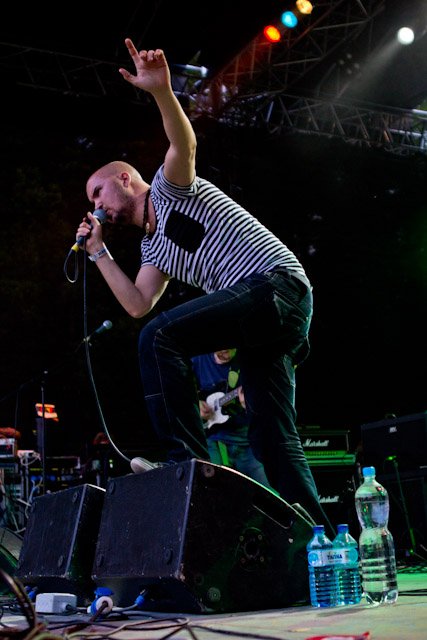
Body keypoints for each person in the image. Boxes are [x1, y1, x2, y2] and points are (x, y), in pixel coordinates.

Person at [76, 38, 333, 536]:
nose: (95, 204)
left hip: (275, 286)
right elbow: (137, 303)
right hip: (268, 324)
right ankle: (322, 545)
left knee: (161, 338)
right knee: (273, 440)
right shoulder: (155, 251)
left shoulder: (169, 187)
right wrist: (99, 252)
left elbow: (184, 144)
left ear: (126, 180)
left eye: (97, 191)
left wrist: (162, 93)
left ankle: (184, 463)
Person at [192, 348, 272, 490]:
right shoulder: (198, 360)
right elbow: (181, 393)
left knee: (266, 494)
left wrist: (250, 407)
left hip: (246, 442)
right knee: (210, 491)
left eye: (230, 346)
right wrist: (195, 404)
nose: (225, 350)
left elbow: (267, 415)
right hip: (213, 441)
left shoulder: (249, 362)